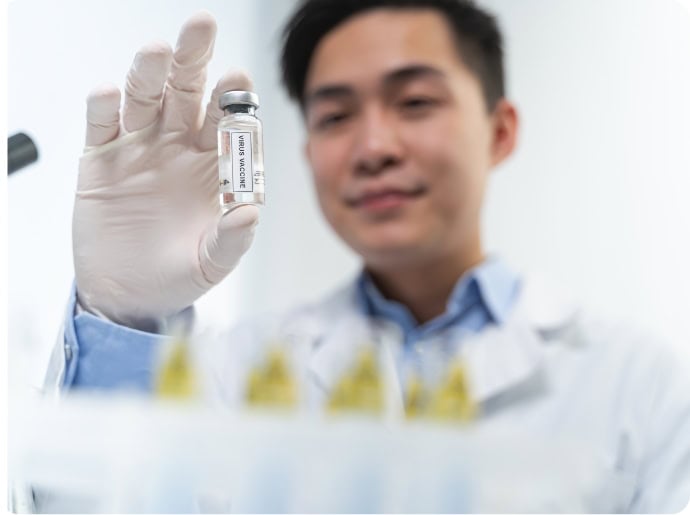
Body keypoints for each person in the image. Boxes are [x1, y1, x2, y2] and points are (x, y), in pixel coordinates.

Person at [34, 0, 689, 512]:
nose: (373, 146)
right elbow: (89, 503)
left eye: (415, 103)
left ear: (499, 131)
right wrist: (124, 316)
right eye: (335, 116)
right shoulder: (243, 370)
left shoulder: (640, 382)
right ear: (307, 153)